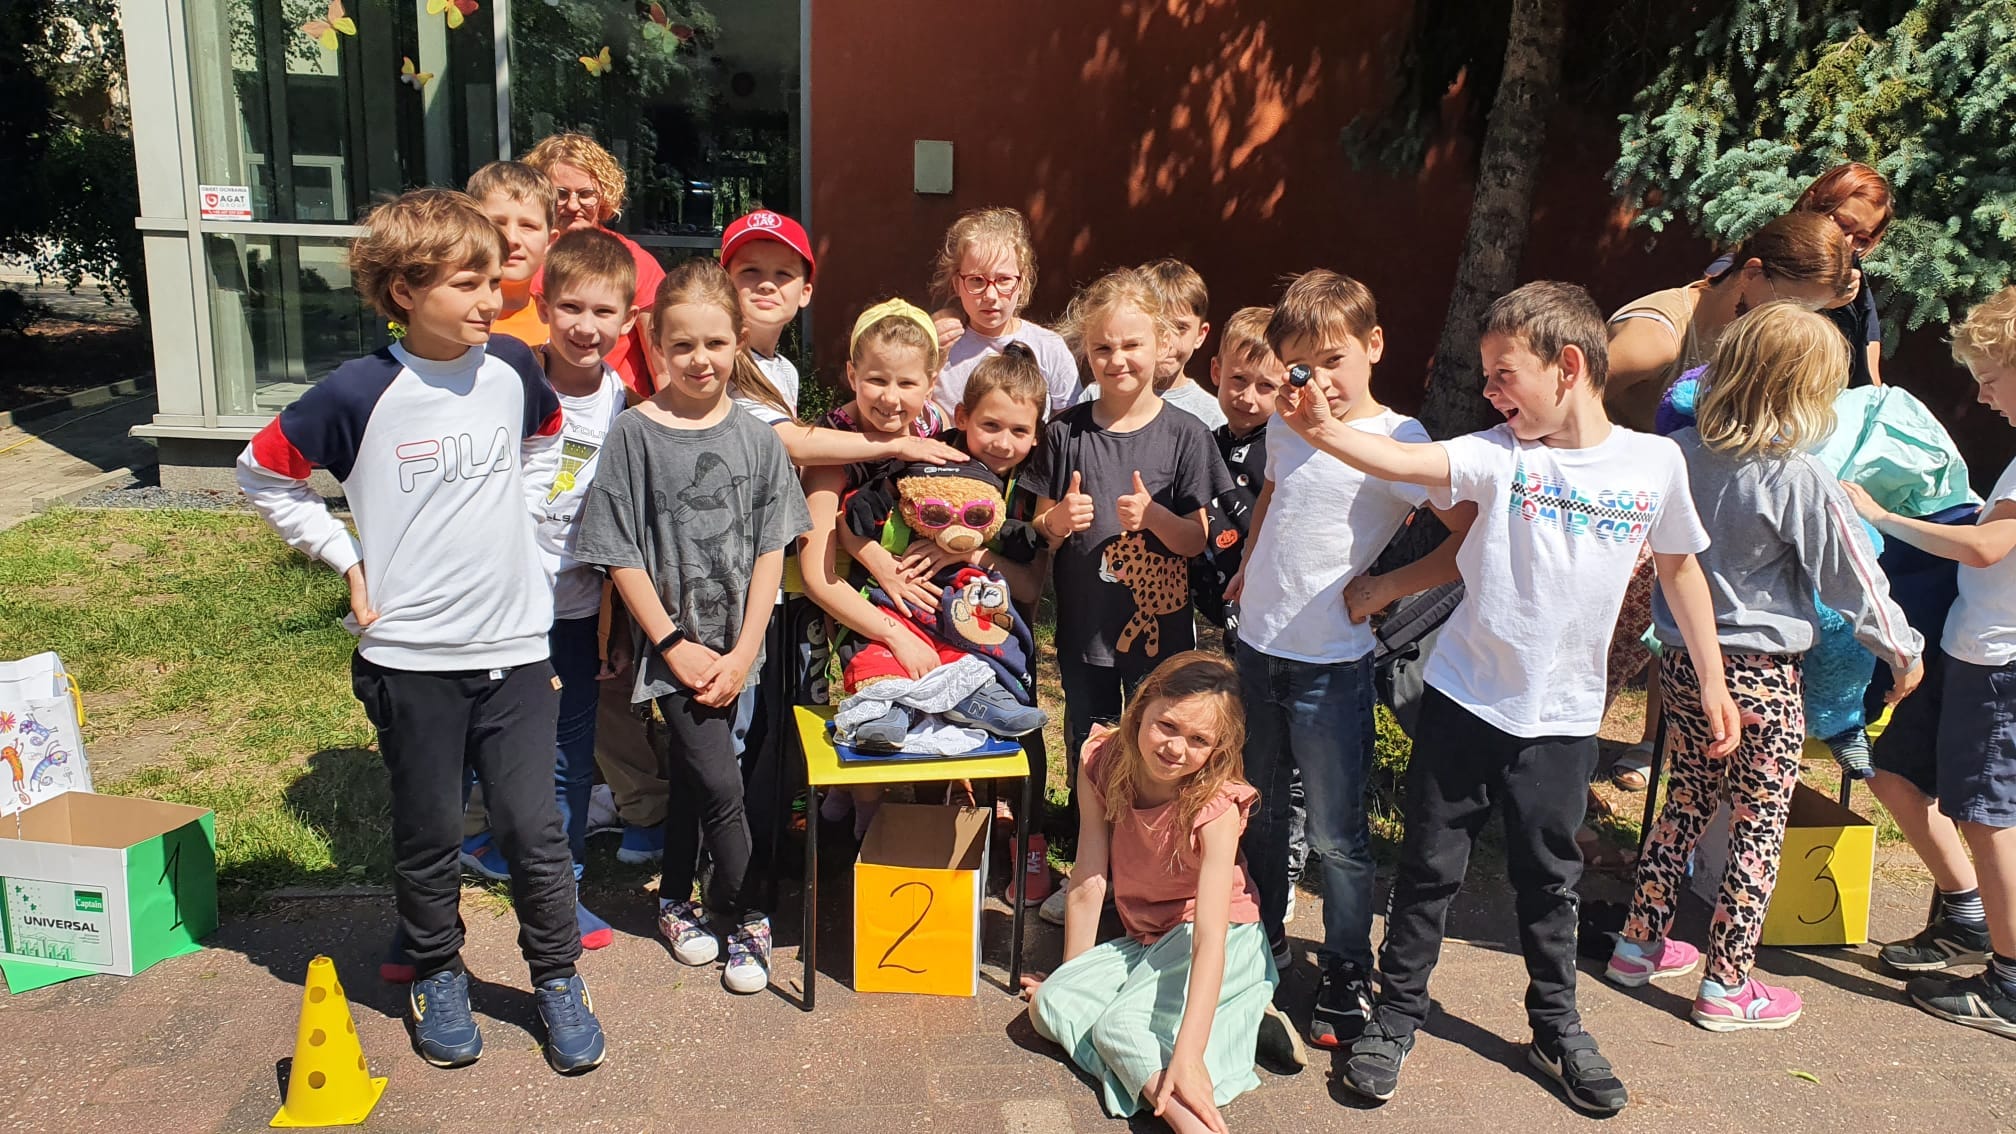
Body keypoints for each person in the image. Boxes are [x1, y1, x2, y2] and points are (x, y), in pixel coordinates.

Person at [1280, 281, 1740, 1114]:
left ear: (1569, 366)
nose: (1490, 391)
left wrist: (1711, 677)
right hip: (1463, 702)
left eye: (1504, 373)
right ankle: (1397, 1014)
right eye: (1488, 376)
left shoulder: (1653, 464)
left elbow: (1681, 569)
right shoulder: (1500, 454)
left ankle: (1555, 1027)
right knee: (1428, 870)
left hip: (1564, 720)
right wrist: (1323, 429)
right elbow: (1410, 463)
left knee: (1550, 879)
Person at [235, 189, 604, 1074]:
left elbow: (547, 436)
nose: (492, 299)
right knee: (430, 832)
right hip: (411, 659)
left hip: (517, 651)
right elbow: (261, 472)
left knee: (533, 830)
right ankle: (438, 972)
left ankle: (557, 977)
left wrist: (521, 519)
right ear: (404, 291)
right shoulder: (358, 391)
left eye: (494, 279)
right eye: (467, 283)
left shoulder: (512, 367)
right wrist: (346, 556)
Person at [1604, 303, 1923, 1032]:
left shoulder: (1677, 454)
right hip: (1765, 678)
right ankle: (1728, 984)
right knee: (1757, 824)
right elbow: (1852, 577)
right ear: (1807, 392)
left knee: (1684, 803)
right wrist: (1902, 649)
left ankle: (1637, 945)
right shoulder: (1797, 477)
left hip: (1683, 665)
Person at [1228, 273, 1468, 1051]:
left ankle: (1343, 965)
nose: (1319, 380)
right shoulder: (1288, 419)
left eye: (1334, 359)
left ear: (1374, 345)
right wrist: (1248, 566)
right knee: (1260, 814)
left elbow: (1469, 533)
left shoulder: (1401, 438)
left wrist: (1390, 587)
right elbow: (1274, 494)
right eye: (1301, 366)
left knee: (1335, 832)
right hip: (1257, 651)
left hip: (1330, 666)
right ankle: (1260, 941)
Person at [574, 258, 811, 996]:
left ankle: (676, 899)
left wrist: (745, 652)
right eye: (682, 345)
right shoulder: (633, 435)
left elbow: (772, 548)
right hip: (675, 653)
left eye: (714, 343)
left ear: (738, 342)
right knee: (720, 783)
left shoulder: (759, 440)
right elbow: (618, 550)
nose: (699, 359)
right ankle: (748, 913)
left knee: (695, 776)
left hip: (742, 649)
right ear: (655, 344)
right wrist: (672, 645)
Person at [1601, 209, 1859, 790]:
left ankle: (1638, 756)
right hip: (1616, 518)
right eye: (1794, 305)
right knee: (1603, 653)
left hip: (1666, 517)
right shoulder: (1656, 338)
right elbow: (1562, 407)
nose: (1796, 324)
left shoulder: (1747, 325)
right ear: (1753, 274)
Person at [1022, 651, 1294, 1133]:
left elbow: (1209, 937)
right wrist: (1073, 979)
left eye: (1199, 740)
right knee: (1049, 1006)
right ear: (1141, 707)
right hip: (1148, 940)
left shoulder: (1217, 805)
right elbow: (1089, 877)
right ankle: (1231, 1027)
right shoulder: (1101, 759)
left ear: (1218, 748)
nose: (1175, 748)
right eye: (1167, 725)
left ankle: (1190, 1118)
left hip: (1222, 938)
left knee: (1119, 1027)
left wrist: (1187, 1056)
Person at [1846, 285, 2016, 1039]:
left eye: (1991, 377)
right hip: (1965, 646)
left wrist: (1885, 518)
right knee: (1894, 770)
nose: (1982, 396)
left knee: (1988, 818)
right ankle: (1967, 916)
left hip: (1996, 662)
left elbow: (1987, 548)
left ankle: (2009, 984)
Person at [1024, 268, 1233, 822]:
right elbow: (1040, 525)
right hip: (1084, 630)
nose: (1117, 360)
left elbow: (1195, 541)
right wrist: (1058, 521)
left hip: (1160, 638)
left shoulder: (1187, 434)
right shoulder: (1064, 433)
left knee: (1157, 742)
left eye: (1131, 345)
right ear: (1086, 352)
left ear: (1162, 343)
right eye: (1102, 348)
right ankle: (1090, 837)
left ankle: (1146, 841)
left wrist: (1155, 516)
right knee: (1088, 739)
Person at [799, 299, 957, 836]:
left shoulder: (935, 427)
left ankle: (920, 812)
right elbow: (818, 575)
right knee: (872, 695)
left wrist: (951, 550)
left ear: (931, 384)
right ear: (851, 375)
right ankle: (865, 820)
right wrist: (894, 632)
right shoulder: (832, 446)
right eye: (876, 380)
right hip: (854, 605)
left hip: (921, 592)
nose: (891, 398)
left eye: (907, 383)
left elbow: (962, 506)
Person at [523, 132, 667, 398]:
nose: (573, 205)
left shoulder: (635, 262)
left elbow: (663, 365)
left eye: (586, 194)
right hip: (537, 406)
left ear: (604, 196)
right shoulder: (523, 259)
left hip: (617, 410)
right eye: (561, 194)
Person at [929, 207, 1080, 419]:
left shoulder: (1048, 347)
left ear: (1022, 282)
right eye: (976, 280)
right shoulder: (941, 344)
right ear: (957, 284)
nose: (990, 295)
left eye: (1003, 280)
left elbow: (1071, 425)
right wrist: (928, 352)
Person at [1083, 259, 1227, 430]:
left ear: (1200, 335)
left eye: (1180, 328)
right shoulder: (1095, 396)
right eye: (1159, 327)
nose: (1168, 341)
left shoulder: (1211, 416)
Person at [720, 208, 814, 413]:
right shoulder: (722, 362)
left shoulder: (787, 370)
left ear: (804, 293)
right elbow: (782, 432)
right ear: (724, 283)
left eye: (783, 273)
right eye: (750, 270)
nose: (767, 285)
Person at [467, 161, 556, 348]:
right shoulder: (451, 322)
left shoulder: (561, 325)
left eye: (528, 226)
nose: (511, 238)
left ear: (550, 242)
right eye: (497, 224)